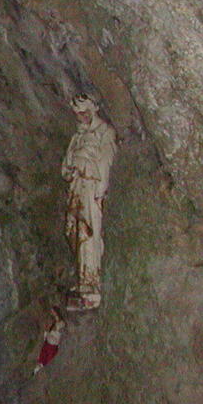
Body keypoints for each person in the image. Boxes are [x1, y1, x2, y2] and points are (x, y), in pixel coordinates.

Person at [61, 96, 117, 310]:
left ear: (93, 110)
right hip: (77, 188)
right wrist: (72, 164)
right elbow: (66, 166)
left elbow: (106, 161)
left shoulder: (104, 132)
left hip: (91, 189)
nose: (82, 117)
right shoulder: (77, 137)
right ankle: (83, 278)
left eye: (85, 113)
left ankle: (91, 284)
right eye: (78, 114)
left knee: (89, 233)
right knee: (74, 233)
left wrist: (100, 191)